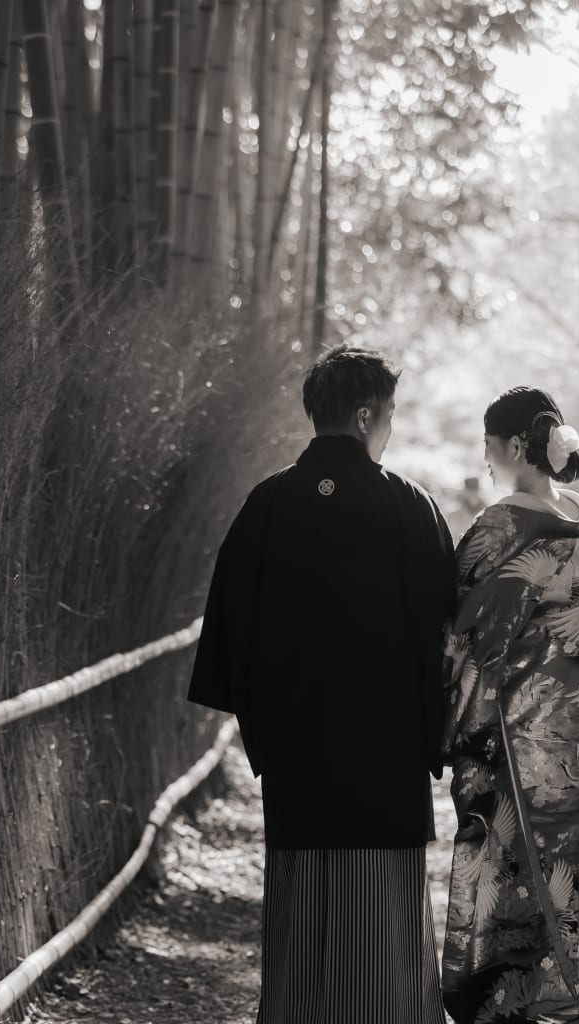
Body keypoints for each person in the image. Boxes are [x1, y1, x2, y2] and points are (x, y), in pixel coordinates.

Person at [189, 343, 455, 1024]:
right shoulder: (408, 508)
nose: (390, 428)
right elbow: (444, 638)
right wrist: (437, 739)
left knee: (302, 919)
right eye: (389, 414)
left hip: (298, 757)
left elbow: (229, 635)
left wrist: (266, 733)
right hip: (386, 757)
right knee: (382, 922)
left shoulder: (267, 504)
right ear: (366, 416)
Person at [440, 387, 579, 1024]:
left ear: (509, 447)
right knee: (577, 873)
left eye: (487, 444)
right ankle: (578, 999)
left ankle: (510, 1007)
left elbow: (462, 648)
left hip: (511, 749)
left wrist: (449, 732)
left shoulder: (495, 536)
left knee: (512, 881)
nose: (485, 456)